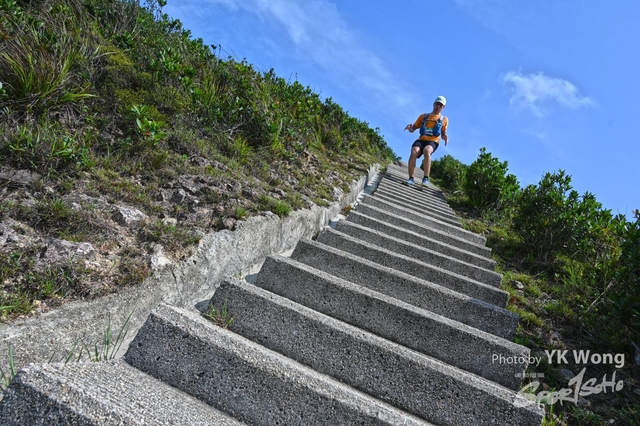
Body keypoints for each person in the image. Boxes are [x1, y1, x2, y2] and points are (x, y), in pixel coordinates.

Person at [403, 95, 449, 186]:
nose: (438, 106)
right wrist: (409, 128)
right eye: (437, 104)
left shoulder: (444, 119)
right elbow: (413, 129)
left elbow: (443, 133)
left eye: (440, 105)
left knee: (427, 150)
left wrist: (445, 137)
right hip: (421, 139)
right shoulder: (423, 116)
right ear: (434, 104)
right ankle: (411, 178)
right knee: (414, 151)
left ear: (443, 107)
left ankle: (425, 179)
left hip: (433, 141)